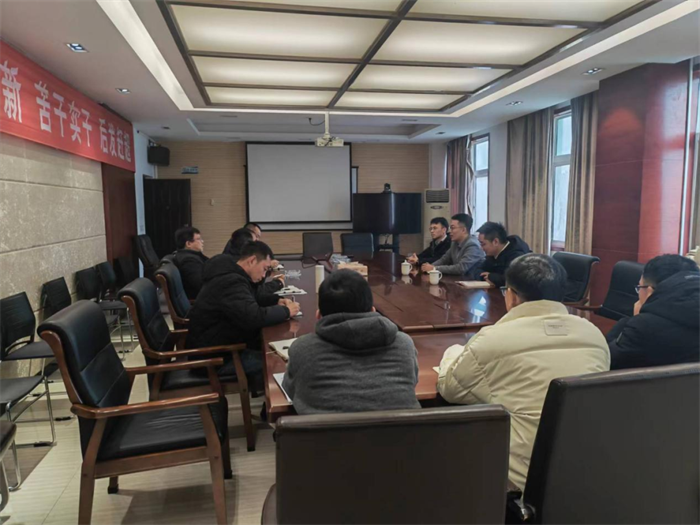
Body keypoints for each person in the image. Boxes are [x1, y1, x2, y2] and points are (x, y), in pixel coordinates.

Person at [437, 254, 609, 490]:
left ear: (512, 296)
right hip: (586, 473)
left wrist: (452, 352)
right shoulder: (594, 335)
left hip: (519, 481)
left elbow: (450, 389)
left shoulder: (494, 339)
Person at [283, 270, 419, 414]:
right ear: (373, 310)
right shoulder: (404, 345)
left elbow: (291, 390)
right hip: (401, 429)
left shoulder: (302, 349)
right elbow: (412, 383)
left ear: (319, 316)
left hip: (325, 429)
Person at [186, 241, 300, 378]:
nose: (264, 276)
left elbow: (251, 297)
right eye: (265, 269)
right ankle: (266, 392)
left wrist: (276, 301)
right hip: (215, 359)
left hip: (223, 346)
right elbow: (254, 317)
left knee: (274, 352)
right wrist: (286, 311)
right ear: (252, 261)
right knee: (281, 365)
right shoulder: (230, 281)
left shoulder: (233, 274)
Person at [607, 254, 700, 369]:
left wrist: (631, 319)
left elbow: (605, 359)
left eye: (640, 288)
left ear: (650, 292)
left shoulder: (643, 326)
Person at [421, 213, 484, 278]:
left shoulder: (472, 245)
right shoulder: (454, 242)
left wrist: (434, 268)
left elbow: (461, 268)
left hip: (473, 281)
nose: (450, 231)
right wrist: (429, 267)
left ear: (463, 230)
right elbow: (444, 260)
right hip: (460, 280)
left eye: (452, 228)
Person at [476, 221, 531, 287]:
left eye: (483, 244)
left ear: (495, 242)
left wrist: (491, 276)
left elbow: (513, 280)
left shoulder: (516, 255)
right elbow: (477, 270)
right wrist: (486, 277)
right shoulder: (492, 254)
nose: (481, 248)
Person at [172, 226, 208, 300]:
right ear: (188, 243)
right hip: (202, 300)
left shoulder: (189, 255)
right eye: (198, 239)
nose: (202, 241)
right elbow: (202, 285)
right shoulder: (188, 261)